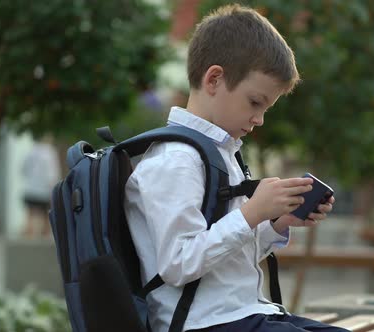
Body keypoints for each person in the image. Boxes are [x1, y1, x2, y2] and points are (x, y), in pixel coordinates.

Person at [124, 5, 347, 332]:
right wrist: (251, 213)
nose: (259, 119)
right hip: (204, 324)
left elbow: (227, 258)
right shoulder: (175, 160)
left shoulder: (220, 152)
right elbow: (177, 264)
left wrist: (277, 222)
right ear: (214, 79)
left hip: (241, 314)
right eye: (255, 102)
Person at [21, 135, 60, 238]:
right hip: (44, 189)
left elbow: (24, 169)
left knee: (30, 214)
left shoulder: (32, 150)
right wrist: (54, 187)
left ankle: (28, 237)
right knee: (46, 214)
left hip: (31, 187)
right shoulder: (50, 151)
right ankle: (44, 238)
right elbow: (52, 173)